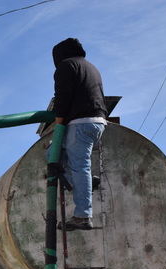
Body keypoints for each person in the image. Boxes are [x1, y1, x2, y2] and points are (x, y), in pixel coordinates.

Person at [51, 38, 108, 231]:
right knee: (51, 155)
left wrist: (59, 124)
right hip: (98, 122)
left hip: (80, 123)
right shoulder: (91, 67)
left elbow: (63, 96)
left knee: (80, 165)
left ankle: (83, 215)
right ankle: (87, 181)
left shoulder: (66, 66)